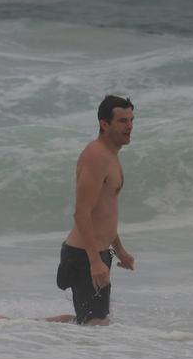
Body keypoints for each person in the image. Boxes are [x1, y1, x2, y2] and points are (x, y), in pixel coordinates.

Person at [47, 95, 136, 325]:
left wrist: (119, 251)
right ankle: (20, 328)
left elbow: (103, 214)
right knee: (96, 325)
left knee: (90, 323)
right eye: (122, 121)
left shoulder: (111, 156)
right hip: (83, 256)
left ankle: (22, 327)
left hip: (97, 253)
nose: (129, 126)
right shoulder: (96, 156)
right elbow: (81, 212)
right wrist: (95, 261)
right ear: (104, 124)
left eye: (131, 120)